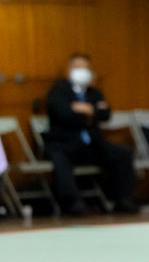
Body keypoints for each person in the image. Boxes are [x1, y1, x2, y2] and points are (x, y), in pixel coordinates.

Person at [43, 53, 137, 215]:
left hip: (92, 144)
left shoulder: (94, 93)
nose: (82, 71)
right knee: (60, 159)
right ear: (68, 71)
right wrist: (91, 112)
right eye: (77, 67)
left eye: (85, 67)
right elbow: (63, 113)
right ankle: (72, 203)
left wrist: (83, 109)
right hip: (64, 143)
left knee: (123, 154)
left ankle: (122, 199)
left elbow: (105, 114)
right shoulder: (58, 91)